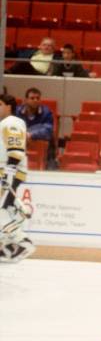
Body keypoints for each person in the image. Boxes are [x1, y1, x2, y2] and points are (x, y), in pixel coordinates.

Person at [0, 93, 35, 263]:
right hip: (7, 171)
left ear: (9, 107)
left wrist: (8, 174)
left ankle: (22, 241)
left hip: (8, 171)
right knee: (6, 209)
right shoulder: (6, 123)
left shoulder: (11, 122)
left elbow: (15, 150)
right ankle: (7, 246)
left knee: (1, 210)